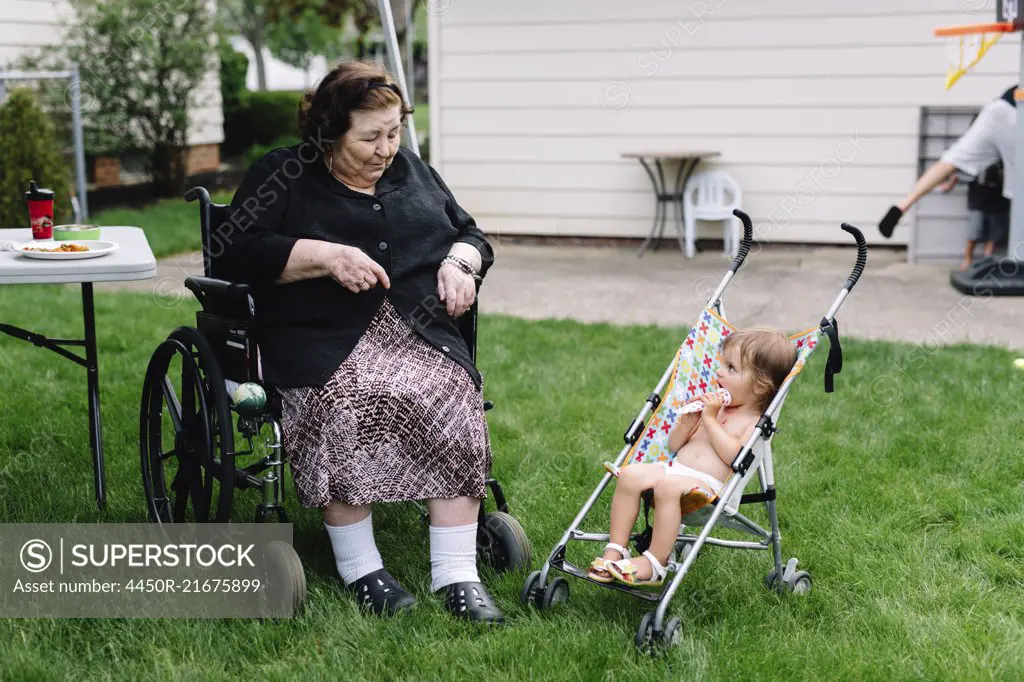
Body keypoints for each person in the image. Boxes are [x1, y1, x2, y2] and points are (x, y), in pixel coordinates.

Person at [214, 61, 503, 623]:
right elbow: (234, 250)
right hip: (321, 340)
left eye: (394, 132)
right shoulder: (284, 174)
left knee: (452, 393)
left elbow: (470, 233)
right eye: (369, 136)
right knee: (348, 398)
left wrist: (461, 264)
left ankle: (456, 573)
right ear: (329, 132)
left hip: (419, 333)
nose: (386, 148)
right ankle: (361, 567)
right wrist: (325, 256)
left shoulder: (414, 172)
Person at [587, 327, 797, 587]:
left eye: (731, 368)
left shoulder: (752, 422)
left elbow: (735, 458)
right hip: (674, 469)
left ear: (759, 386)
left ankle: (654, 563)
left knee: (668, 486)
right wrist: (689, 422)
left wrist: (710, 420)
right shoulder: (716, 409)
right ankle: (616, 550)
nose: (719, 372)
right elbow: (675, 445)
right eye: (722, 364)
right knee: (630, 474)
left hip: (707, 489)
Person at [879, 85, 1017, 239]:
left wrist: (954, 177)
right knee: (1018, 185)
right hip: (1017, 115)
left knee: (951, 160)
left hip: (997, 108)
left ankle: (902, 205)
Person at [938, 159, 1011, 270]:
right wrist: (949, 184)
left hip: (999, 202)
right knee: (974, 233)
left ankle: (987, 261)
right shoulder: (978, 158)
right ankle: (967, 259)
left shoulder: (1004, 158)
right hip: (978, 201)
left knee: (994, 235)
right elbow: (958, 173)